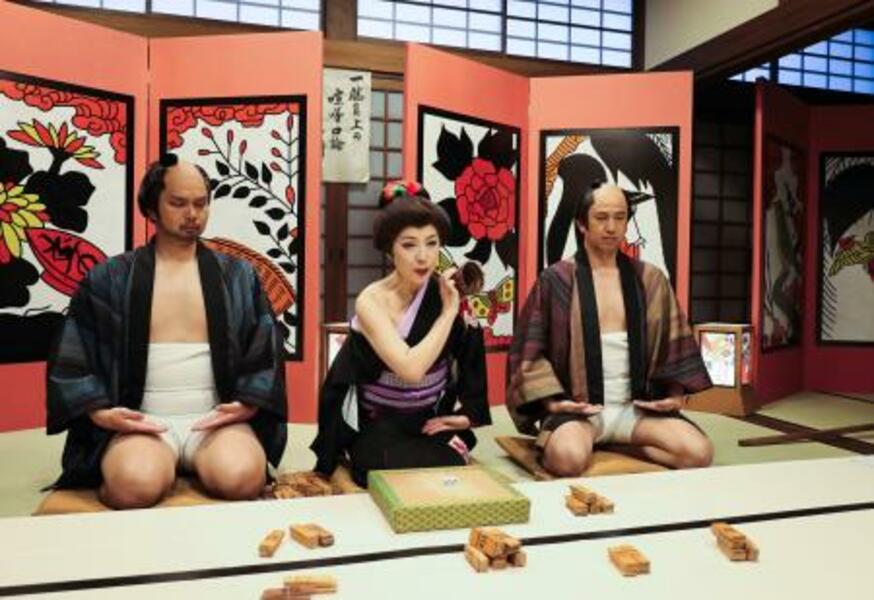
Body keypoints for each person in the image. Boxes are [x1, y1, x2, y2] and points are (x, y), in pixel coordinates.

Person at [46, 155, 287, 509]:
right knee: (133, 486)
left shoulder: (238, 275)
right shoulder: (110, 277)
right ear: (151, 208)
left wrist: (249, 403)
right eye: (178, 203)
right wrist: (99, 412)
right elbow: (74, 350)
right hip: (142, 419)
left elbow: (265, 345)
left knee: (243, 478)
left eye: (201, 203)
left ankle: (196, 467)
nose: (192, 214)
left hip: (215, 418)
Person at [507, 182, 713, 477]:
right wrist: (552, 403)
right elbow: (529, 350)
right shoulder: (557, 280)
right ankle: (585, 444)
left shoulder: (650, 279)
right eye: (601, 217)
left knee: (699, 453)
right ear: (582, 223)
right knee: (567, 460)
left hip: (637, 409)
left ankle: (617, 445)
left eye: (620, 217)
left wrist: (676, 393)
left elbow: (676, 342)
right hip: (581, 411)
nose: (612, 227)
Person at [311, 181, 491, 487]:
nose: (423, 256)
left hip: (429, 418)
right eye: (409, 245)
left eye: (432, 243)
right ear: (389, 249)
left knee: (450, 454)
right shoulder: (372, 300)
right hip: (381, 419)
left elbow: (470, 351)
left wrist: (468, 414)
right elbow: (410, 369)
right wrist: (448, 313)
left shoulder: (445, 292)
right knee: (376, 464)